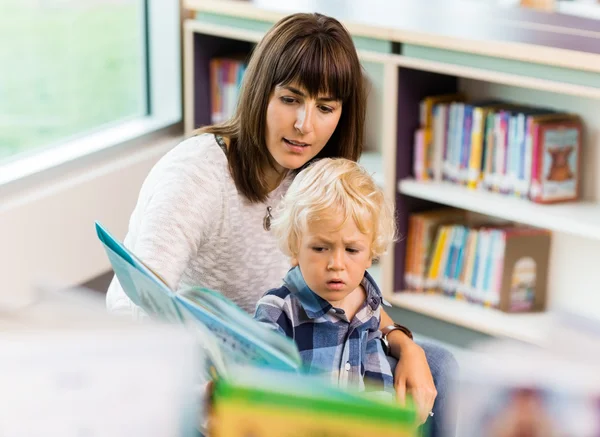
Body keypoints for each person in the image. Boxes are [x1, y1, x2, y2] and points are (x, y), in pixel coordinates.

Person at [105, 11, 456, 434]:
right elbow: (135, 303)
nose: (304, 125)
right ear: (259, 94)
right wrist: (192, 392)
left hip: (292, 352)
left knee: (440, 368)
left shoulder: (317, 178)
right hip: (205, 370)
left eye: (324, 107)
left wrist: (403, 340)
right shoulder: (196, 173)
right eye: (290, 99)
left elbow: (346, 289)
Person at [254, 158, 397, 399]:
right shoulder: (278, 309)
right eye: (320, 248)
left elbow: (376, 368)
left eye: (352, 250)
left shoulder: (368, 305)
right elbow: (261, 379)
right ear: (295, 248)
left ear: (370, 255)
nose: (336, 265)